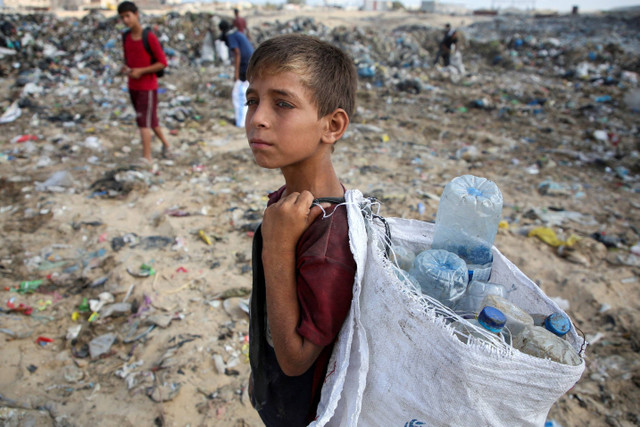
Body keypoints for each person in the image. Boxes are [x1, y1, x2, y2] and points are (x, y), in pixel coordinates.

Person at [246, 34, 358, 426]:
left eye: (282, 104)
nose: (258, 117)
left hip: (303, 414)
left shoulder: (331, 237)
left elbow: (295, 359)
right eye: (252, 100)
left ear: (332, 125)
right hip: (274, 392)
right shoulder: (288, 200)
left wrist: (275, 249)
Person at [118, 1, 171, 163]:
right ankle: (167, 145)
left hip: (147, 87)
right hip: (132, 86)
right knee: (151, 120)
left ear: (136, 15)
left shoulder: (148, 37)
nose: (126, 20)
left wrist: (141, 71)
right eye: (122, 17)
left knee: (143, 123)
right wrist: (127, 69)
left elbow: (162, 62)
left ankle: (147, 158)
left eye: (128, 16)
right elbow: (129, 59)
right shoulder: (126, 37)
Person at [218, 19, 254, 127]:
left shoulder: (231, 36)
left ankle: (241, 122)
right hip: (251, 62)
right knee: (246, 91)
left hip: (244, 65)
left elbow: (237, 53)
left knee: (239, 94)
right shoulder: (238, 33)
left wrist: (236, 73)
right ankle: (246, 119)